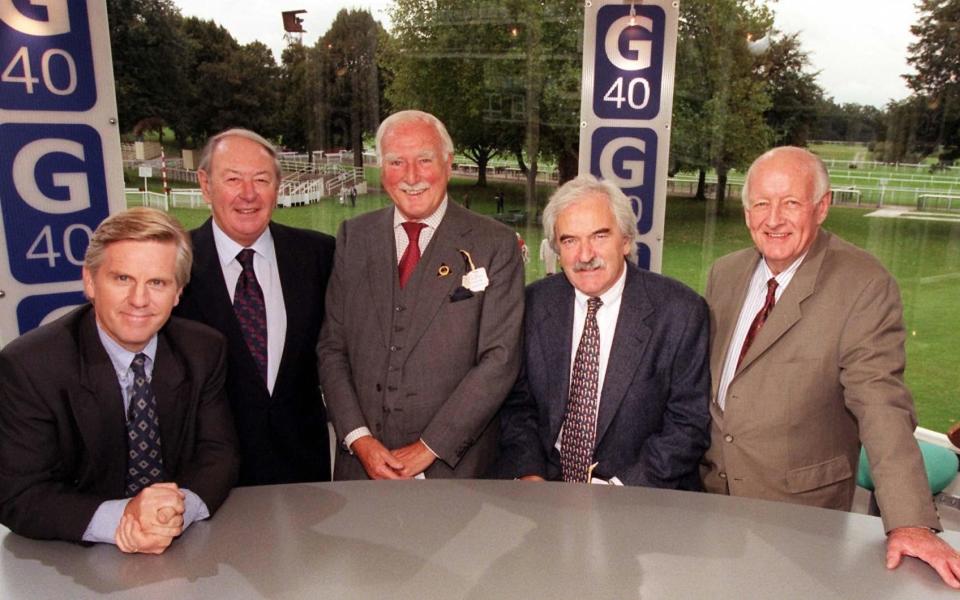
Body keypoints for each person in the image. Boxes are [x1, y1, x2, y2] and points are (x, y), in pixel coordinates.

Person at [703, 146, 960, 587]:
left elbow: (881, 405)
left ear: (822, 207)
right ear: (747, 212)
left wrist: (910, 521)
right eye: (761, 203)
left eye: (791, 203)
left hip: (797, 517)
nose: (773, 218)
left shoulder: (863, 285)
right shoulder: (724, 274)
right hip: (707, 502)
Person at [0, 208, 239, 554]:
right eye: (122, 279)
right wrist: (124, 516)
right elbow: (19, 493)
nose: (139, 300)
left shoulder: (204, 349)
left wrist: (176, 510)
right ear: (89, 281)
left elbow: (219, 453)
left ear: (178, 292)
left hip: (184, 551)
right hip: (70, 557)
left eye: (157, 282)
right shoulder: (29, 367)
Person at [317, 109, 524, 480]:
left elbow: (500, 359)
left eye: (424, 160)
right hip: (360, 470)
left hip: (455, 472)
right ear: (382, 170)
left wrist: (429, 448)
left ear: (448, 163)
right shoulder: (354, 237)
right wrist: (360, 440)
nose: (411, 176)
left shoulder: (495, 244)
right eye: (397, 162)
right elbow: (333, 348)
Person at [494, 175, 710, 487]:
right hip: (546, 490)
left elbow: (687, 426)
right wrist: (530, 472)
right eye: (569, 241)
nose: (584, 255)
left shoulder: (680, 312)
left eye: (599, 236)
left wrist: (618, 490)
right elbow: (517, 404)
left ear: (626, 240)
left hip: (639, 495)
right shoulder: (534, 304)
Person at [174, 128, 336, 486]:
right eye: (232, 179)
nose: (248, 194)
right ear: (205, 184)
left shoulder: (320, 255)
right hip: (208, 480)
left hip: (303, 475)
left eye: (261, 180)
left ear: (277, 187)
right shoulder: (173, 264)